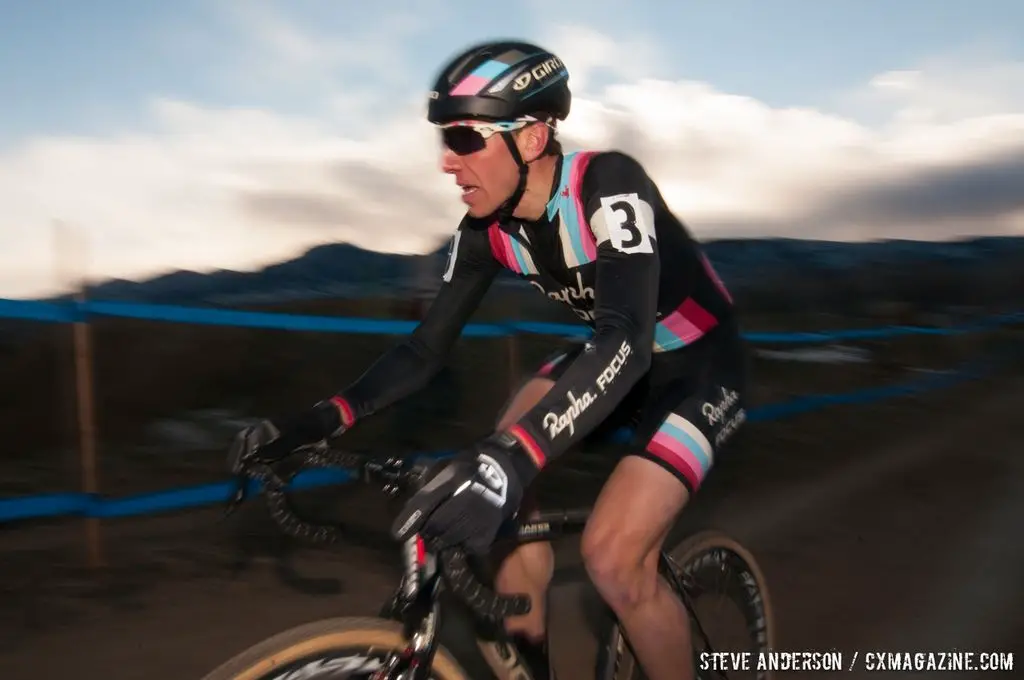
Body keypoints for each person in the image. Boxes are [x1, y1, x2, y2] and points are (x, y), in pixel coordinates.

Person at [228, 40, 748, 680]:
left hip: (695, 368)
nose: (448, 162)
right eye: (443, 141)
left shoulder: (608, 186)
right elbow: (423, 349)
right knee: (497, 504)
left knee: (613, 561)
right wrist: (316, 421)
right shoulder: (485, 233)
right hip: (612, 359)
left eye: (465, 140)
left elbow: (626, 339)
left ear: (531, 139)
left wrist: (514, 457)